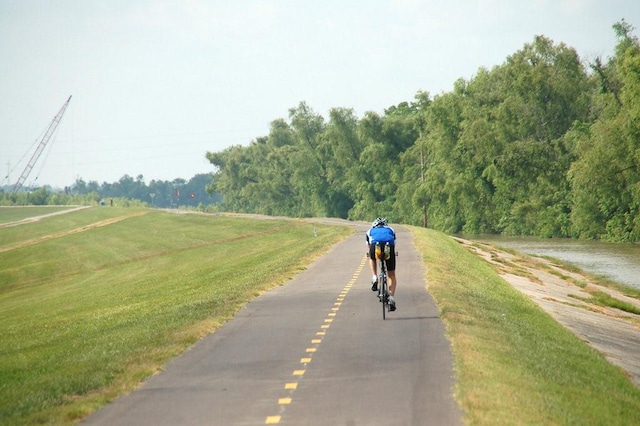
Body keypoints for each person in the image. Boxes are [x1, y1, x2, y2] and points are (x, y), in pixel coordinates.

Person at [366, 217, 397, 311]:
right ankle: (391, 297)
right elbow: (394, 243)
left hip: (375, 246)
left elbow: (368, 245)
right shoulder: (391, 229)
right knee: (391, 274)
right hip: (389, 246)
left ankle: (375, 277)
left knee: (371, 258)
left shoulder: (370, 231)